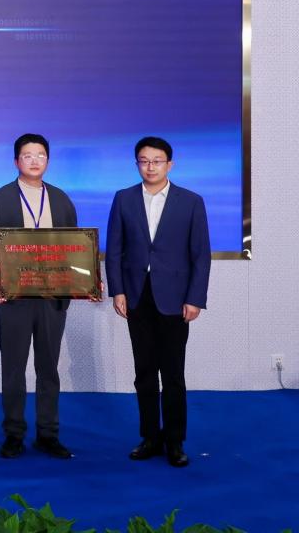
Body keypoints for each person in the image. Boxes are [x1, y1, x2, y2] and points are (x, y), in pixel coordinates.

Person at [106, 136, 211, 468]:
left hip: (175, 299)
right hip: (137, 296)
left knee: (174, 374)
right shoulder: (123, 199)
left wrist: (195, 298)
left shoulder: (191, 201)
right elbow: (115, 250)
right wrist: (118, 291)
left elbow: (201, 255)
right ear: (137, 164)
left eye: (157, 161)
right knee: (144, 372)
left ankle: (175, 441)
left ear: (170, 164)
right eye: (144, 161)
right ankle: (150, 437)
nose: (150, 167)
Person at [0, 134, 79, 460]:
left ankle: (48, 434)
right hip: (14, 299)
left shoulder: (61, 200)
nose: (35, 161)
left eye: (41, 155)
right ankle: (14, 434)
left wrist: (82, 282)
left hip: (52, 299)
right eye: (28, 155)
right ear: (16, 161)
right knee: (13, 369)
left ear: (48, 160)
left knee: (49, 369)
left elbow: (76, 246)